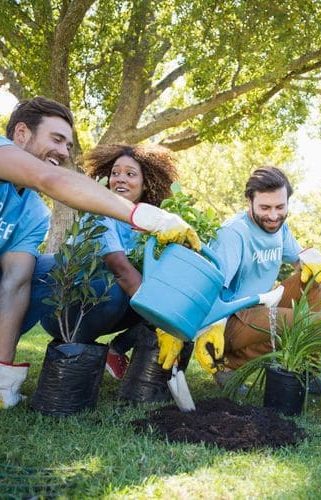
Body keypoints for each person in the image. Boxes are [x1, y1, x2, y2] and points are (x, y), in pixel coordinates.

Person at [0, 96, 200, 409]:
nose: (64, 152)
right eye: (56, 139)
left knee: (40, 272)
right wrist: (148, 218)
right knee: (82, 275)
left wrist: (3, 377)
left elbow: (15, 284)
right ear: (22, 133)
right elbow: (50, 178)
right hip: (92, 298)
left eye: (68, 145)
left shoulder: (34, 213)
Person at [156, 166, 321, 385]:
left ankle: (305, 370)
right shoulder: (234, 234)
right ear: (249, 202)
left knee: (311, 278)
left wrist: (313, 258)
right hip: (228, 320)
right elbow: (210, 287)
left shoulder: (279, 227)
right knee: (317, 323)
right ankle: (229, 364)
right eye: (265, 207)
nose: (273, 215)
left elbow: (300, 260)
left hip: (260, 308)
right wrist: (197, 327)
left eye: (280, 207)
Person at [40, 143, 179, 379]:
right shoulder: (99, 213)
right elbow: (120, 269)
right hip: (65, 309)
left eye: (130, 174)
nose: (119, 179)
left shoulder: (147, 224)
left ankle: (116, 350)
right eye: (115, 173)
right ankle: (76, 350)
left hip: (107, 304)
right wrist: (163, 320)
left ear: (147, 183)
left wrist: (175, 317)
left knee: (160, 293)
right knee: (123, 289)